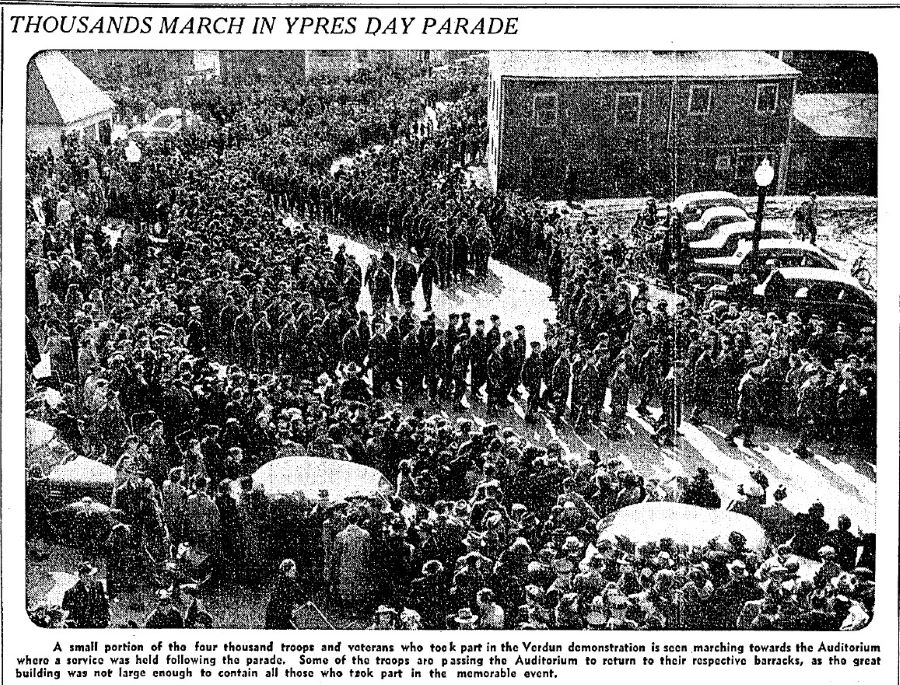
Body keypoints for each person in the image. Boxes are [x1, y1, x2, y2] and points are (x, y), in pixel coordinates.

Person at [62, 562, 109, 628]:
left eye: (91, 575)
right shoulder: (71, 593)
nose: (89, 578)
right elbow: (66, 611)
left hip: (98, 627)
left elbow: (104, 604)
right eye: (86, 576)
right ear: (80, 576)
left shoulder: (98, 587)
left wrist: (106, 619)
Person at [265, 559, 303, 629]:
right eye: (293, 571)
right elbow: (279, 602)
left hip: (283, 615)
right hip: (278, 617)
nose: (294, 573)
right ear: (286, 571)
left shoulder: (291, 583)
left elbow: (299, 597)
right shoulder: (281, 584)